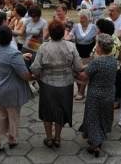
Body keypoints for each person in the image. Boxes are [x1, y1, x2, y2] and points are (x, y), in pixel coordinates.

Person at [31, 20, 82, 148]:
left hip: (47, 84)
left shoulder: (43, 47)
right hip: (66, 84)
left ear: (50, 33)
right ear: (63, 32)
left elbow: (35, 68)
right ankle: (58, 138)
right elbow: (78, 66)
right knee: (61, 110)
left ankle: (49, 138)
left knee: (47, 111)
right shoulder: (71, 46)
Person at [0, 26, 33, 153]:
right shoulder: (13, 54)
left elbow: (4, 59)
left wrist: (21, 57)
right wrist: (34, 76)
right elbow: (24, 75)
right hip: (10, 92)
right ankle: (12, 139)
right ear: (11, 38)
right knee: (12, 116)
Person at [78, 34, 117, 158]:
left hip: (95, 95)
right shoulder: (113, 59)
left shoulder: (98, 61)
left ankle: (95, 145)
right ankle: (99, 137)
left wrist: (74, 73)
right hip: (109, 93)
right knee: (103, 116)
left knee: (93, 117)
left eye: (97, 44)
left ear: (100, 46)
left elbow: (84, 76)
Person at [70, 9, 97, 100]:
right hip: (78, 54)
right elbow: (70, 35)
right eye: (80, 18)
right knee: (77, 73)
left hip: (89, 55)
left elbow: (97, 40)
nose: (81, 20)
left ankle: (81, 92)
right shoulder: (76, 26)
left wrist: (95, 53)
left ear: (89, 18)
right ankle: (79, 90)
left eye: (84, 18)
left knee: (85, 73)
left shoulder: (94, 27)